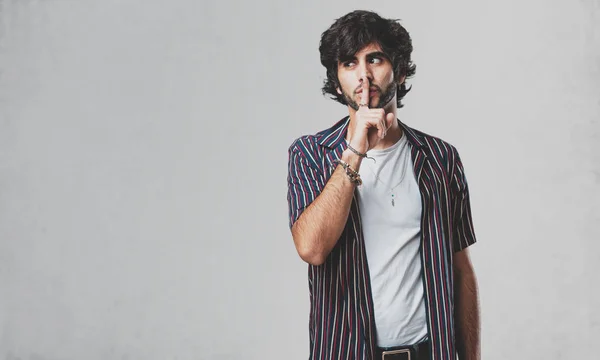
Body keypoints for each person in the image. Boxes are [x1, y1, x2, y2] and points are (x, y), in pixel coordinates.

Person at [285, 10, 481, 360]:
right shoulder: (310, 155)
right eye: (349, 63)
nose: (363, 75)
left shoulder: (441, 158)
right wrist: (356, 149)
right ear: (336, 79)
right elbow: (312, 248)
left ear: (400, 70)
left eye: (374, 59)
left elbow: (460, 269)